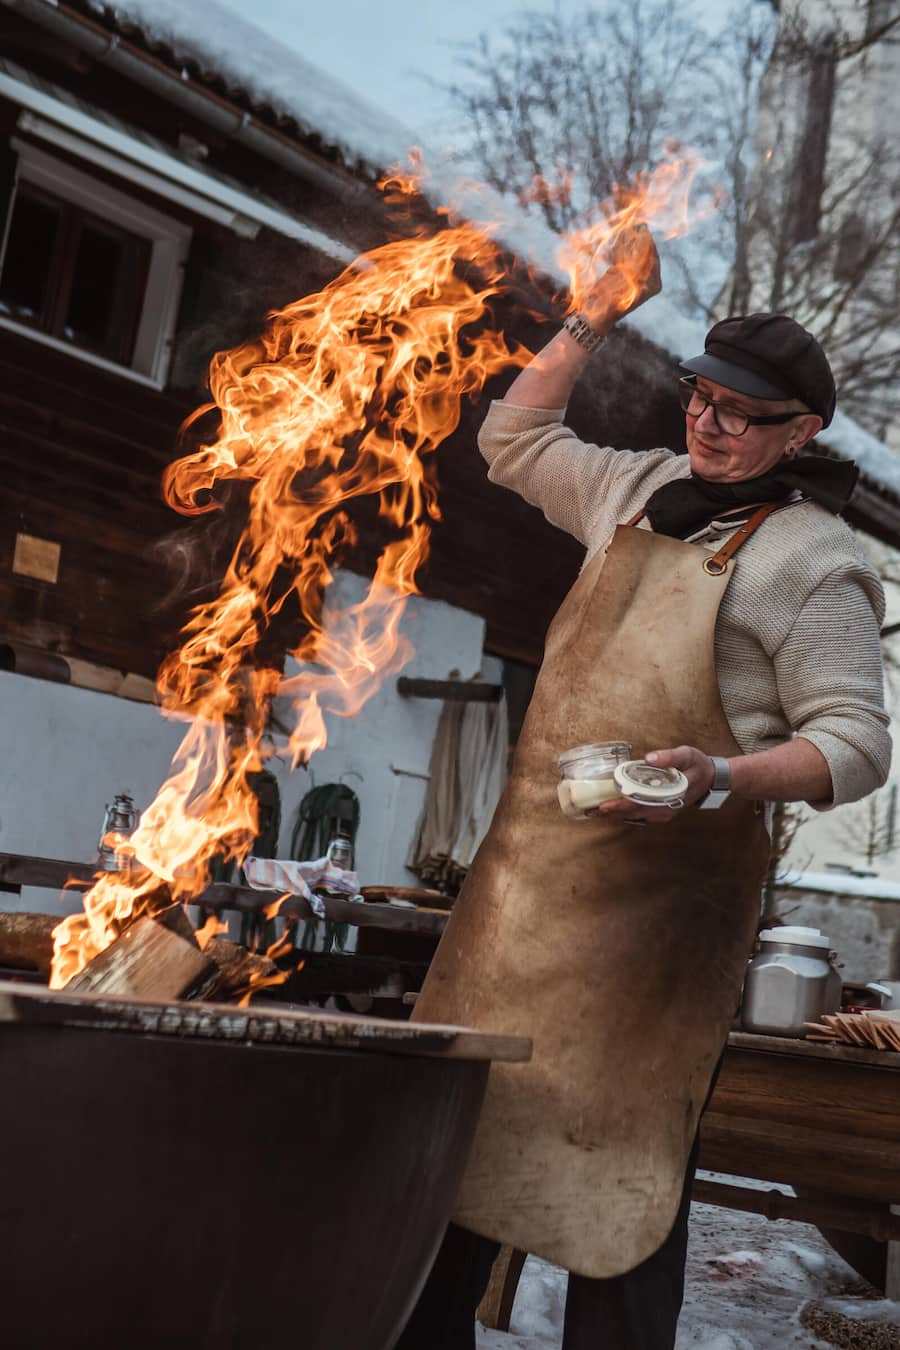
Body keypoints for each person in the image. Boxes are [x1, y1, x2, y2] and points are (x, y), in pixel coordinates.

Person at [397, 225, 891, 1350]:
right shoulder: (637, 485)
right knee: (454, 1164)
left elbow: (857, 746)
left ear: (802, 433)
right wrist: (595, 311)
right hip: (519, 904)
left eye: (741, 414)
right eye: (699, 396)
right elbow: (514, 437)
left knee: (615, 1194)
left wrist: (719, 775)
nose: (707, 424)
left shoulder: (816, 562)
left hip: (655, 939)